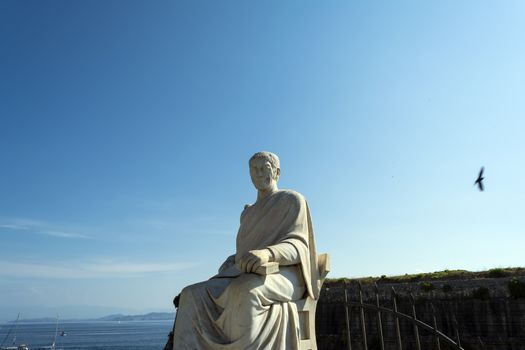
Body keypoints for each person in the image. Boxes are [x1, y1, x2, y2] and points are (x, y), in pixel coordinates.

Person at [171, 151, 319, 350]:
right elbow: (247, 249)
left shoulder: (292, 200)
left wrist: (268, 253)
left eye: (264, 168)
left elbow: (298, 245)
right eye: (254, 170)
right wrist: (234, 259)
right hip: (246, 272)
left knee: (245, 291)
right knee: (190, 294)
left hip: (286, 273)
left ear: (277, 172)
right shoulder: (248, 213)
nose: (258, 174)